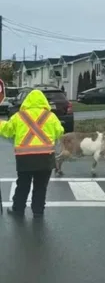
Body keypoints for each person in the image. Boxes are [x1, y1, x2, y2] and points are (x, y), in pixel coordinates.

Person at [0, 89, 64, 217]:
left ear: (27, 101)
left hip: (24, 158)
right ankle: (38, 211)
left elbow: (7, 130)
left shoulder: (20, 116)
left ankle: (18, 209)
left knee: (23, 184)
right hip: (46, 158)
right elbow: (59, 131)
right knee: (41, 186)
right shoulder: (50, 117)